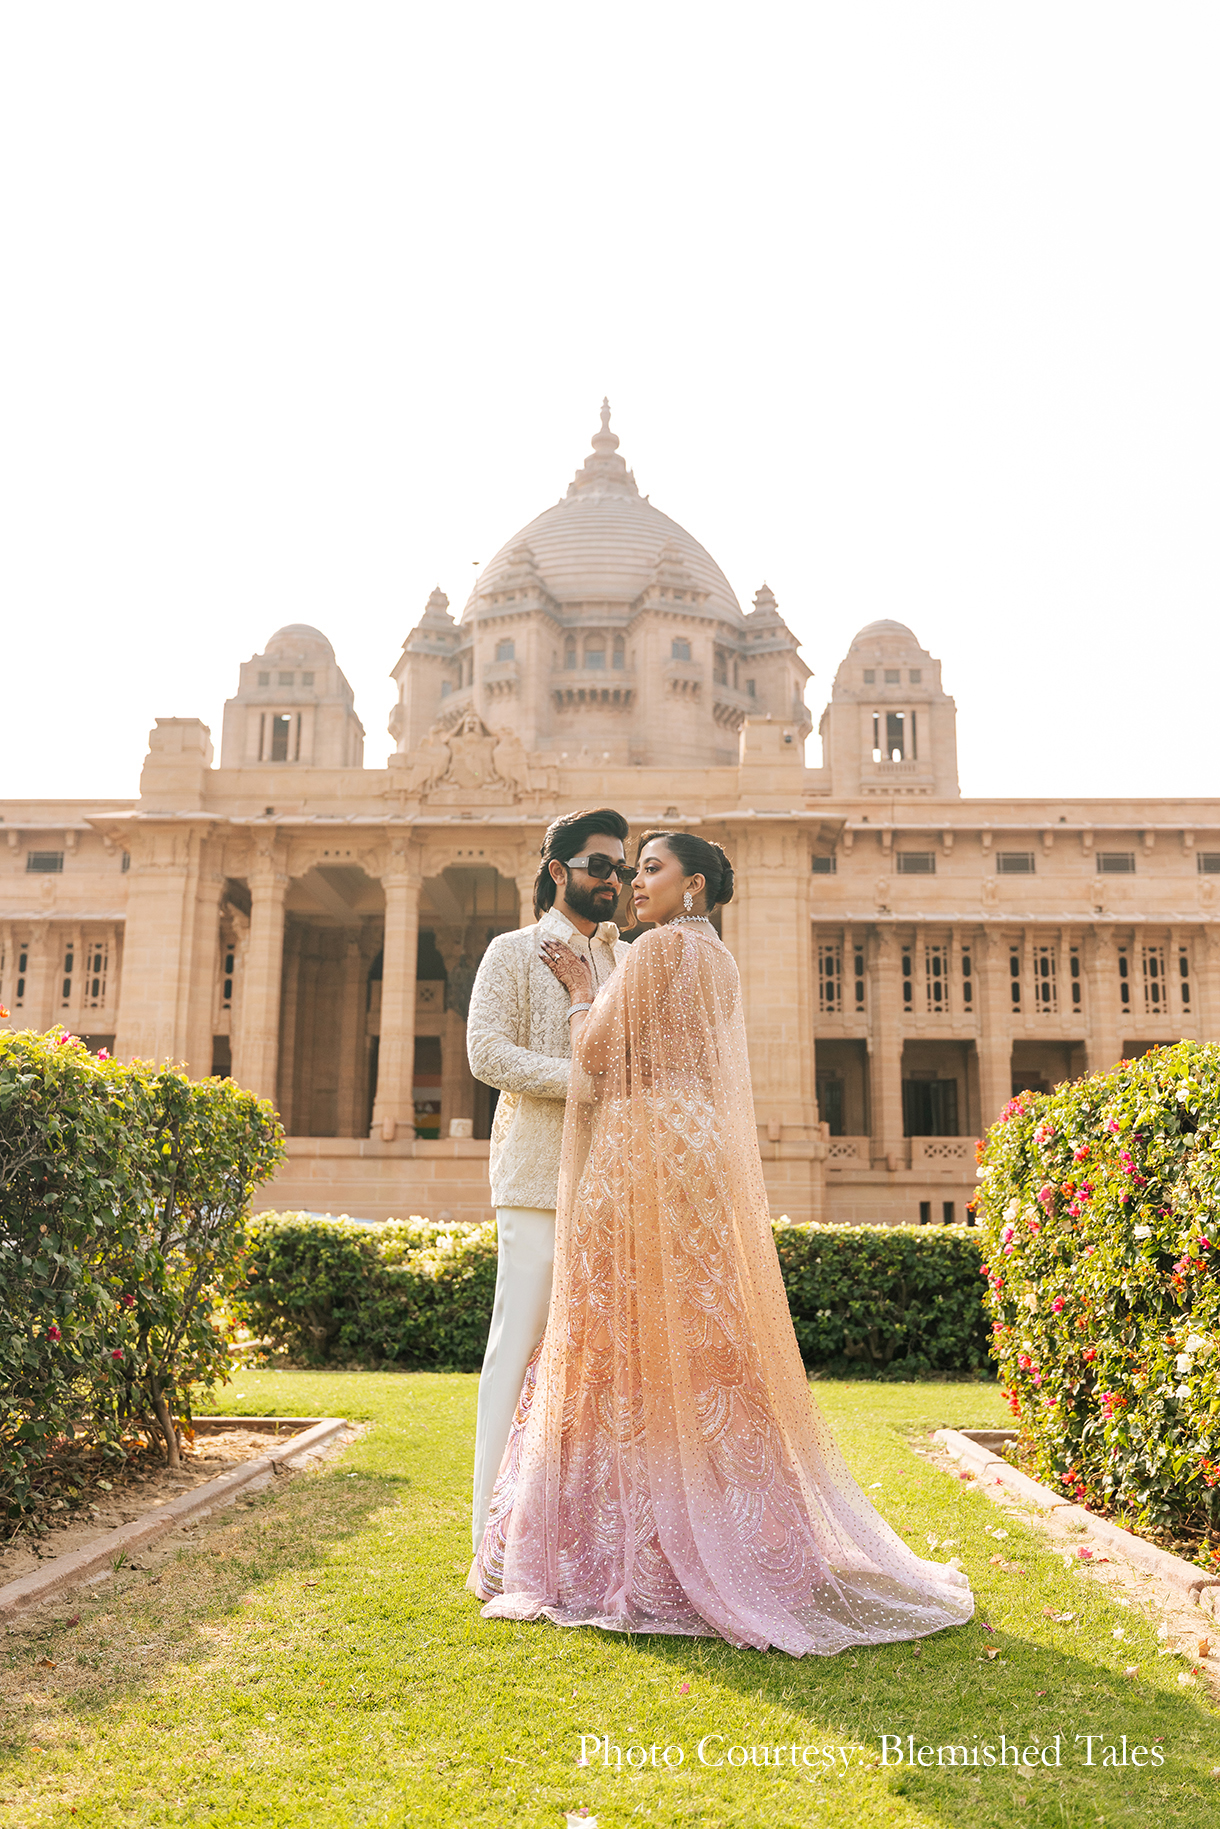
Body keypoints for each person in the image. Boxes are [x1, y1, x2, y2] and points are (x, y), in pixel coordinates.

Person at [470, 830, 974, 1655]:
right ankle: (745, 1524)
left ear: (693, 884)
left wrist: (575, 994)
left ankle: (631, 1540)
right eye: (631, 869)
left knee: (616, 1329)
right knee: (702, 1331)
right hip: (696, 1140)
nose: (635, 882)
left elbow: (599, 1053)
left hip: (642, 1144)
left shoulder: (657, 950)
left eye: (652, 869)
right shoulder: (720, 961)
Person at [466, 807, 632, 1553]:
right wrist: (584, 1083)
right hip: (535, 1175)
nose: (616, 881)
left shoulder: (625, 961)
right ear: (559, 870)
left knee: (599, 1358)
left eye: (624, 869)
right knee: (517, 1344)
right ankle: (487, 1538)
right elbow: (485, 1054)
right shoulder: (512, 951)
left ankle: (572, 1537)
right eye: (601, 866)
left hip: (613, 1177)